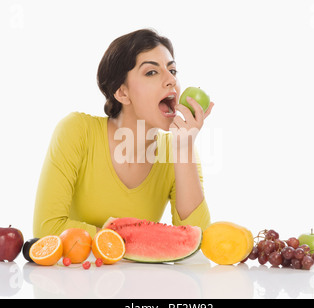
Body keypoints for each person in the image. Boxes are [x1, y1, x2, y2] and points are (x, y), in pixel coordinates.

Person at [33, 29, 214, 238]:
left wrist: (184, 149)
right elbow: (47, 228)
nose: (171, 80)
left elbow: (196, 240)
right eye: (151, 72)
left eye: (172, 71)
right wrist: (133, 241)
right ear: (122, 92)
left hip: (135, 273)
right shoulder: (77, 131)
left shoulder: (180, 152)